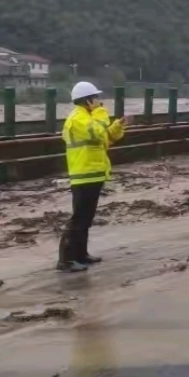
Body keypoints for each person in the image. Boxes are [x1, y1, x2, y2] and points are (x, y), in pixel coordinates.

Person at [57, 81, 130, 272]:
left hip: (93, 173)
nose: (99, 101)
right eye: (96, 98)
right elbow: (96, 133)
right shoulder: (78, 118)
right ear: (87, 100)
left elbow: (105, 139)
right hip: (83, 174)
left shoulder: (88, 118)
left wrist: (117, 126)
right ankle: (66, 260)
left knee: (86, 218)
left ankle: (81, 254)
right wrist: (100, 113)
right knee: (79, 218)